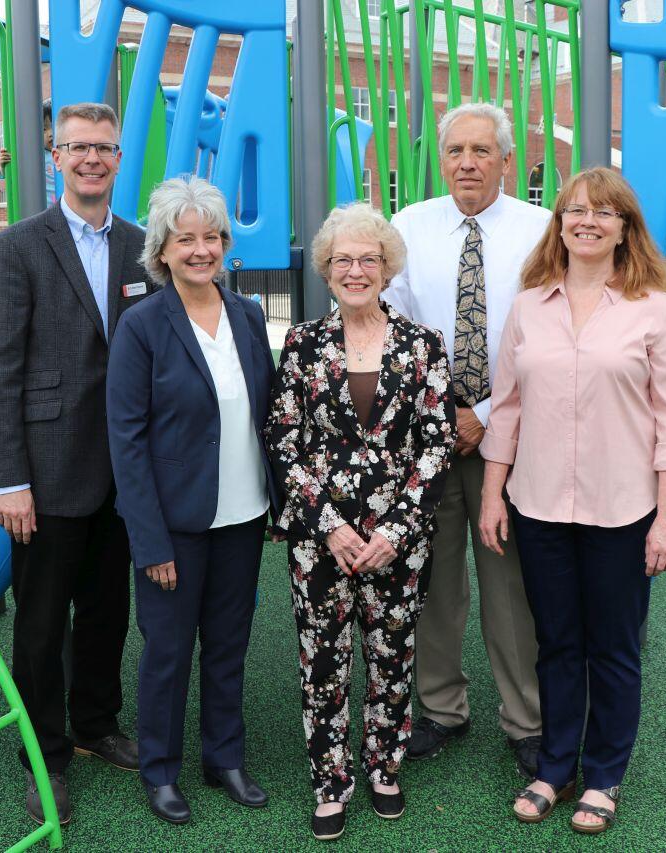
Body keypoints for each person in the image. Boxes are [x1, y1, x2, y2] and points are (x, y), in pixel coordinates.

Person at [477, 167, 666, 833]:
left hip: (622, 512)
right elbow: (507, 410)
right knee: (556, 644)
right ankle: (553, 767)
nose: (587, 222)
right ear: (560, 223)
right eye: (575, 210)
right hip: (539, 506)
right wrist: (493, 496)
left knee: (614, 648)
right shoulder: (529, 304)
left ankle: (603, 775)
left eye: (604, 213)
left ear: (625, 229)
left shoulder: (656, 309)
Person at [0, 102, 153, 826]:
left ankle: (95, 722)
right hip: (44, 473)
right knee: (41, 623)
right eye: (77, 147)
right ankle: (44, 757)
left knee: (108, 610)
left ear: (117, 158)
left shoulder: (144, 243)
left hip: (123, 472)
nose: (91, 159)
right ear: (55, 157)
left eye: (104, 148)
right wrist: (8, 477)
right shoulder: (18, 246)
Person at [266, 203, 456, 842]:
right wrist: (330, 525)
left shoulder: (422, 345)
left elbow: (436, 441)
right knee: (321, 659)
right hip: (321, 541)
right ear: (326, 269)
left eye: (367, 259)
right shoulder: (301, 342)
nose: (355, 270)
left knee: (392, 656)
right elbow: (283, 438)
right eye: (342, 260)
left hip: (397, 541)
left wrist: (395, 530)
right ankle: (330, 781)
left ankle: (384, 768)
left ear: (386, 266)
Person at [384, 102, 547, 777]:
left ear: (506, 161)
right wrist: (441, 413)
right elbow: (388, 324)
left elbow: (544, 332)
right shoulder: (406, 226)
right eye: (457, 151)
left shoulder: (543, 231)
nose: (468, 163)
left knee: (509, 581)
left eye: (483, 151)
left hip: (512, 431)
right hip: (427, 435)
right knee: (430, 578)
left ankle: (527, 718)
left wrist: (482, 410)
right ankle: (441, 708)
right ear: (442, 158)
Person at [108, 176, 276, 825]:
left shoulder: (249, 314)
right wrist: (148, 540)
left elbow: (267, 412)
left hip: (243, 513)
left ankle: (224, 756)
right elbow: (125, 439)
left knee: (229, 642)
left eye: (211, 236)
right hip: (175, 525)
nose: (201, 249)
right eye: (187, 239)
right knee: (169, 648)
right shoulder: (142, 325)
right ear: (163, 250)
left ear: (225, 244)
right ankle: (160, 769)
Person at [0, 99, 57, 207]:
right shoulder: (34, 155)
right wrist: (3, 167)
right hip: (42, 211)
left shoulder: (66, 152)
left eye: (53, 127)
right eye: (44, 129)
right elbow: (13, 176)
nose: (50, 133)